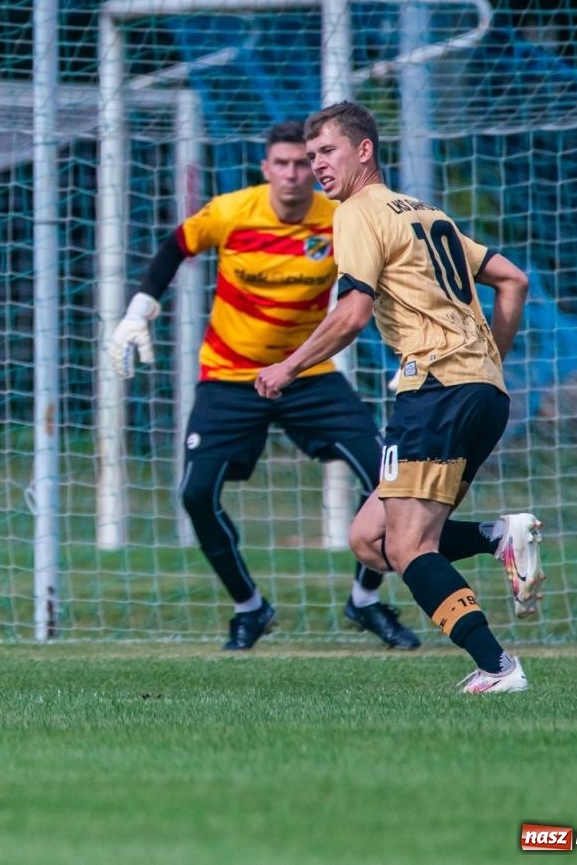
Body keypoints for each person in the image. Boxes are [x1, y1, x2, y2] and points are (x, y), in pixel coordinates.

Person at [255, 101, 545, 693]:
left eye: (327, 152)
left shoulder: (359, 212)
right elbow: (512, 278)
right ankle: (498, 536)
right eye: (311, 158)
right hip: (480, 391)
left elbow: (353, 312)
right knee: (370, 538)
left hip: (435, 390)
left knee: (410, 545)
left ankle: (497, 667)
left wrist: (289, 365)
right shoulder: (422, 212)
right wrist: (490, 360)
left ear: (364, 150)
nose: (317, 167)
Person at [107, 121, 421, 650]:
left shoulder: (340, 219)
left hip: (310, 373)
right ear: (266, 169)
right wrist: (139, 311)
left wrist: (408, 347)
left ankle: (365, 600)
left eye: (304, 163)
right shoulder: (232, 212)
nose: (295, 174)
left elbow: (379, 286)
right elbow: (175, 247)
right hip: (229, 377)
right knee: (195, 494)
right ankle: (250, 608)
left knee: (389, 480)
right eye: (283, 164)